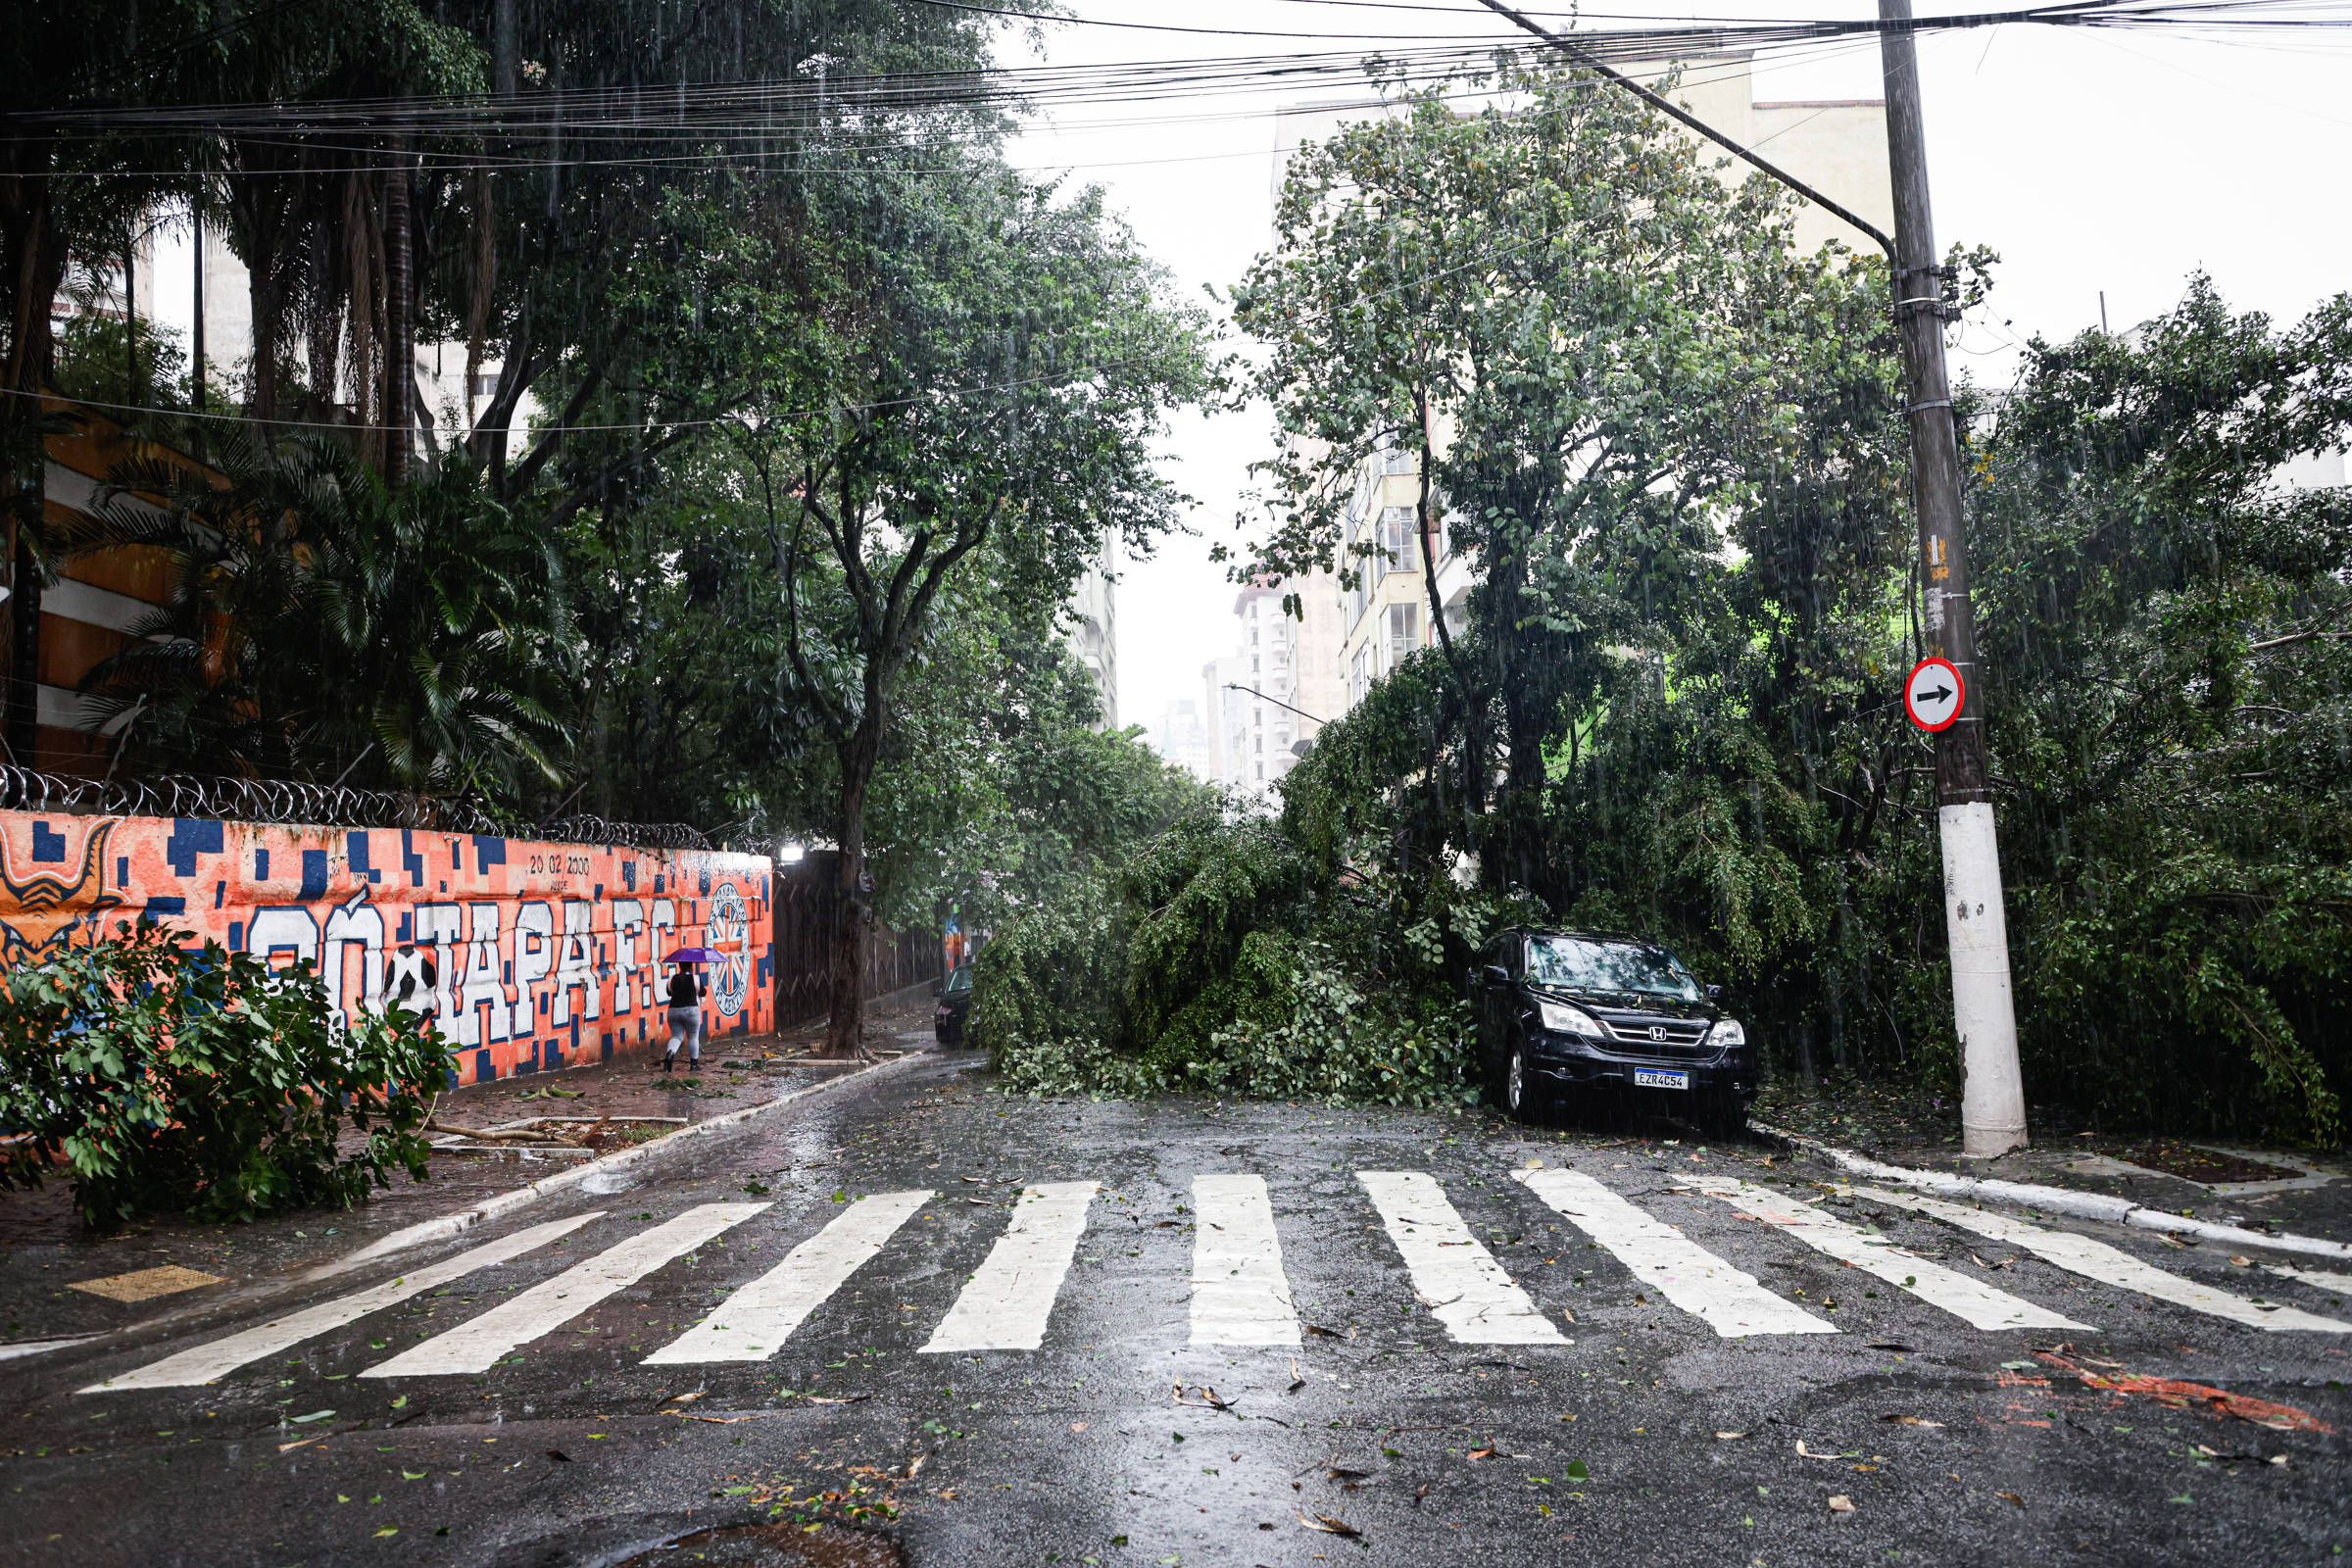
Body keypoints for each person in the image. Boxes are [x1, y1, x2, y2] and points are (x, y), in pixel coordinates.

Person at [662, 961, 704, 1072]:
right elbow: (703, 992)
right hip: (691, 1011)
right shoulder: (695, 979)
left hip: (673, 1011)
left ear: (679, 966)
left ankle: (670, 1054)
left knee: (676, 1036)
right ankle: (693, 1065)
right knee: (693, 1036)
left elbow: (669, 992)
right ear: (691, 967)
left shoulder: (672, 979)